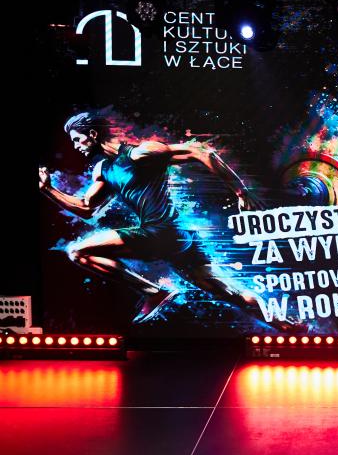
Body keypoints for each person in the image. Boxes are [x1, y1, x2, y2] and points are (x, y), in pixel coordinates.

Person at [39, 111, 270, 324]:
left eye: (77, 140)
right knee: (232, 295)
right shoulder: (104, 169)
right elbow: (86, 207)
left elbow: (200, 151)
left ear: (93, 134)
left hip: (161, 231)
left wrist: (241, 191)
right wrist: (47, 189)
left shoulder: (140, 153)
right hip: (175, 240)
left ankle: (152, 292)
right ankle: (281, 324)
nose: (76, 146)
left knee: (78, 251)